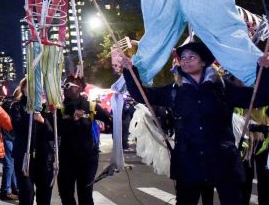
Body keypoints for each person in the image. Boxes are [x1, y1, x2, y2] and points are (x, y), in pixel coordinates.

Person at [119, 41, 269, 205]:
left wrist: (265, 70)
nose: (185, 60)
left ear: (203, 61)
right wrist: (129, 71)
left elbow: (259, 97)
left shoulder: (223, 87)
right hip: (188, 161)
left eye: (191, 57)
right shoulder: (175, 90)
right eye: (183, 57)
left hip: (222, 160)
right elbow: (142, 95)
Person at [57, 74, 112, 205]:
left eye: (68, 85)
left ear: (79, 87)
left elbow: (111, 121)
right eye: (63, 86)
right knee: (66, 194)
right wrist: (71, 120)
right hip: (66, 159)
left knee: (85, 197)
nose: (64, 88)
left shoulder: (91, 106)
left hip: (87, 159)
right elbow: (54, 130)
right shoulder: (60, 109)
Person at [10, 78, 56, 205]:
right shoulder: (16, 106)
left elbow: (52, 134)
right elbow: (16, 128)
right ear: (23, 88)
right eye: (27, 86)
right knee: (26, 194)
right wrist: (30, 117)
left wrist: (42, 121)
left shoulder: (45, 108)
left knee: (44, 195)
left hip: (43, 157)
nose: (30, 90)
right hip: (24, 157)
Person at [0, 92, 20, 201]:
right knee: (9, 165)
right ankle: (6, 190)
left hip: (8, 137)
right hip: (8, 137)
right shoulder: (11, 105)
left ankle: (14, 188)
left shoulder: (7, 103)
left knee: (11, 164)